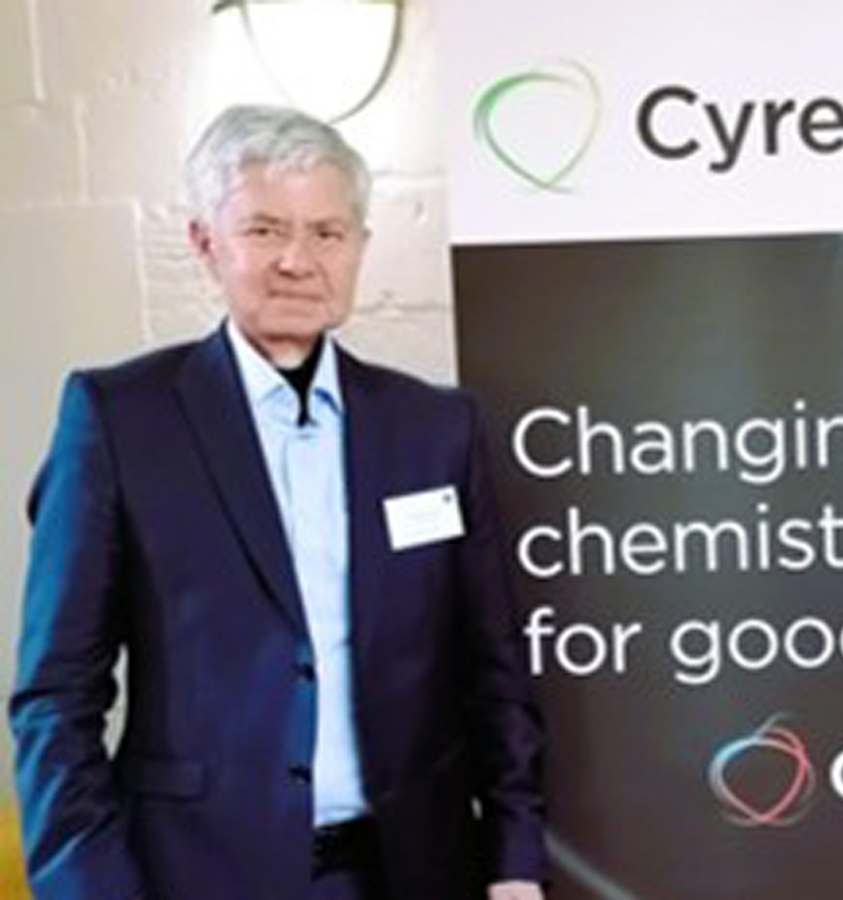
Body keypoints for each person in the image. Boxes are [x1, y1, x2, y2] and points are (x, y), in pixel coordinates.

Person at [9, 105, 548, 900]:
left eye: (328, 233)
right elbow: (57, 699)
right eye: (264, 230)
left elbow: (493, 669)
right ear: (205, 242)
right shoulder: (118, 420)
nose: (298, 261)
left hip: (414, 873)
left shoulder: (437, 428)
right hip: (196, 878)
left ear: (360, 246)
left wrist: (516, 861)